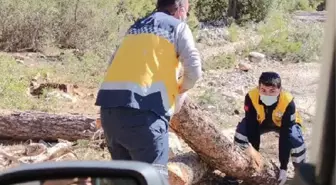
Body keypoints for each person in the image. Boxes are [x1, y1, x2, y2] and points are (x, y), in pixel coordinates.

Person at [94, 0, 202, 181]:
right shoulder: (178, 27)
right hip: (146, 116)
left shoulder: (134, 28)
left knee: (124, 180)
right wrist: (180, 89)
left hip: (109, 113)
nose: (185, 16)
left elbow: (113, 63)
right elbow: (194, 69)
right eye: (187, 12)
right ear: (181, 9)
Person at [232, 72, 306, 185]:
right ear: (258, 88)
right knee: (242, 132)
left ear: (280, 90)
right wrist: (255, 156)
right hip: (261, 123)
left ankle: (300, 174)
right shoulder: (251, 97)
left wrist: (283, 168)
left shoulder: (288, 102)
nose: (267, 94)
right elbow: (252, 127)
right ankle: (237, 168)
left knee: (295, 139)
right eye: (263, 90)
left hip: (285, 125)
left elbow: (286, 134)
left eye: (272, 91)